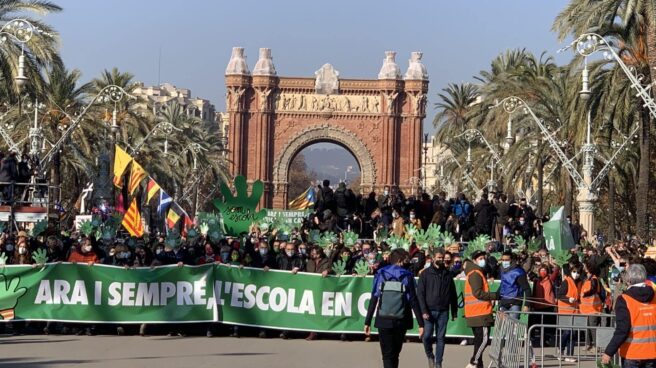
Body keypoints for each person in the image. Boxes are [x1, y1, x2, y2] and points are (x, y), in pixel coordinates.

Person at [364, 248, 424, 368]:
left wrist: (367, 321)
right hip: (401, 319)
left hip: (383, 318)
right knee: (395, 353)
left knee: (387, 355)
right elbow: (413, 300)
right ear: (401, 260)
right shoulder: (407, 276)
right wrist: (421, 324)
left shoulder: (380, 273)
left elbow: (374, 297)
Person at [602, 264, 656, 368]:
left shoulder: (624, 300)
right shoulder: (654, 296)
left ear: (628, 279)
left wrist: (609, 352)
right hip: (652, 353)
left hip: (632, 353)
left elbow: (622, 330)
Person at [417, 248, 458, 368]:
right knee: (427, 336)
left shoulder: (447, 274)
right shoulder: (425, 274)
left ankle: (438, 362)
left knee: (441, 338)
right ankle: (430, 355)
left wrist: (454, 311)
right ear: (433, 258)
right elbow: (420, 294)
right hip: (429, 311)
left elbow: (453, 293)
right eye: (439, 257)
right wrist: (424, 310)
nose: (441, 259)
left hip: (443, 311)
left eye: (442, 257)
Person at [464, 250, 499, 368]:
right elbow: (478, 293)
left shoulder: (476, 272)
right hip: (480, 312)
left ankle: (479, 364)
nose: (482, 260)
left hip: (476, 312)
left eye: (483, 257)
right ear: (474, 260)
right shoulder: (475, 273)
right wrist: (494, 296)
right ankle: (474, 362)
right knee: (483, 340)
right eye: (479, 258)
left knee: (479, 340)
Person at [557, 262, 582, 362]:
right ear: (571, 272)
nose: (576, 274)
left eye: (578, 272)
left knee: (573, 334)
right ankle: (561, 349)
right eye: (574, 272)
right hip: (565, 312)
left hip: (575, 312)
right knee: (567, 332)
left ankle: (570, 355)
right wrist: (568, 299)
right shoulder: (566, 282)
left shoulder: (580, 282)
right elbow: (559, 295)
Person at [498, 251, 531, 319]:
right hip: (503, 303)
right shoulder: (502, 270)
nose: (504, 262)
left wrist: (526, 305)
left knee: (512, 326)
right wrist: (494, 297)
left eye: (507, 260)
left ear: (512, 260)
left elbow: (527, 289)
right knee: (501, 327)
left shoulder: (518, 272)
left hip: (515, 303)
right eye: (503, 260)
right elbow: (502, 285)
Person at [580, 260, 603, 352]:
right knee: (587, 327)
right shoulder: (587, 278)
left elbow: (593, 290)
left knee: (592, 327)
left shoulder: (594, 279)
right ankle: (588, 344)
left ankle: (596, 345)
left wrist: (586, 294)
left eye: (586, 266)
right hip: (585, 308)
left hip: (593, 308)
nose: (584, 267)